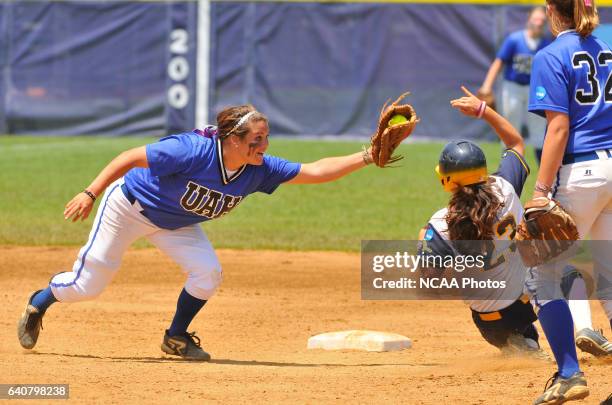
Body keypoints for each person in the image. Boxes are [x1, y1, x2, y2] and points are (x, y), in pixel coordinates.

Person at [17, 104, 383, 361]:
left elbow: (317, 170)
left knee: (208, 272)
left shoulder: (259, 169)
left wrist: (367, 155)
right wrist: (89, 192)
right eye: (256, 139)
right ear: (232, 138)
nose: (264, 146)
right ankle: (41, 301)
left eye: (266, 138)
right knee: (88, 286)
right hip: (129, 206)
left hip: (176, 223)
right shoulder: (191, 151)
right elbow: (129, 157)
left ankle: (175, 337)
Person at [527, 0, 612, 401]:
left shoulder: (551, 55)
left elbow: (558, 128)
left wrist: (541, 193)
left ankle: (568, 373)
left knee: (538, 272)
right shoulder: (607, 46)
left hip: (580, 175)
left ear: (550, 9)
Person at [418, 86, 543, 356]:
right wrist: (483, 111)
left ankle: (518, 342)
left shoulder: (440, 223)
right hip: (526, 300)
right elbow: (516, 142)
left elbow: (428, 284)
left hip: (489, 320)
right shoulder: (505, 188)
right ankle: (565, 330)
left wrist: (423, 246)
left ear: (446, 179)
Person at [479, 6, 551, 160]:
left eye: (542, 20)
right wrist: (487, 85)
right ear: (528, 19)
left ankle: (545, 178)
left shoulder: (546, 43)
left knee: (539, 132)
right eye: (536, 19)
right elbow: (499, 62)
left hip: (535, 90)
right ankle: (508, 170)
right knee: (510, 130)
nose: (538, 23)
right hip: (513, 88)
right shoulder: (515, 39)